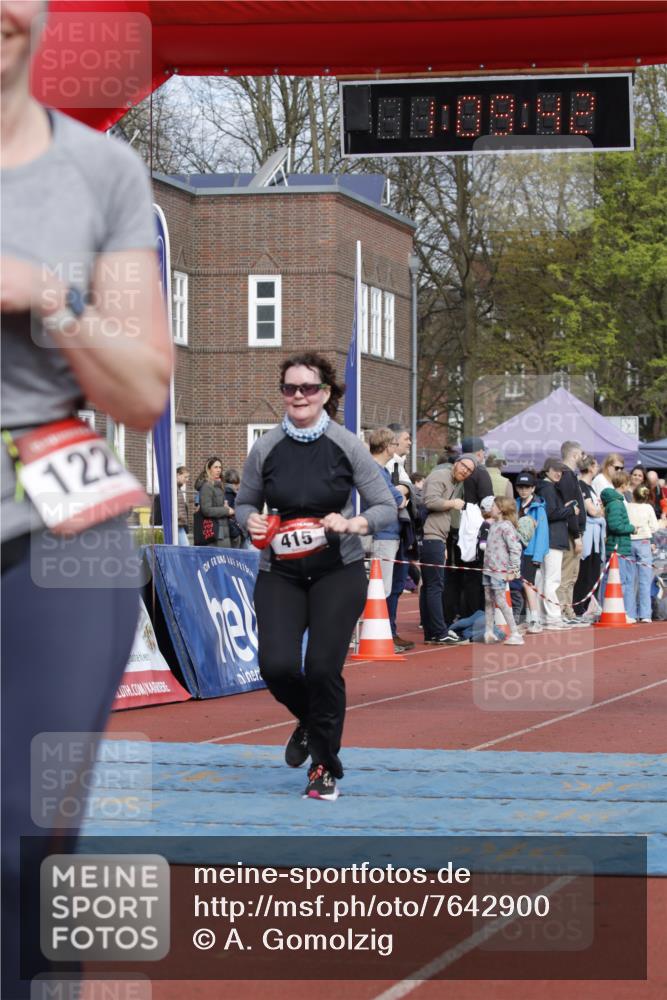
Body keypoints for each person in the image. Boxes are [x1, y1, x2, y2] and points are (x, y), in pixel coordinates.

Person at [0, 3, 172, 994]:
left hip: (55, 534)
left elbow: (143, 390)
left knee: (27, 830)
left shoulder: (101, 173)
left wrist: (51, 299)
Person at [235, 352, 395, 801]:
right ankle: (309, 720)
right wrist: (251, 521)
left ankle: (324, 765)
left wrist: (353, 524)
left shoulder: (347, 445)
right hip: (280, 572)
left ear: (325, 394)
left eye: (308, 388)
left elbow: (385, 505)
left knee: (323, 668)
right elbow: (246, 503)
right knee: (277, 666)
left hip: (337, 570)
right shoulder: (265, 447)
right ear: (283, 394)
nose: (299, 395)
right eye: (290, 388)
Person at [420, 455, 475, 643]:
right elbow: (430, 501)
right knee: (435, 587)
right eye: (464, 466)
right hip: (431, 536)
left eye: (469, 471)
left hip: (436, 538)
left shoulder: (452, 482)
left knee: (430, 587)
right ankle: (440, 632)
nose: (465, 471)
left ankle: (431, 632)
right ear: (456, 463)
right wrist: (453, 503)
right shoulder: (440, 476)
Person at [366, 428, 405, 635]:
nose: (396, 448)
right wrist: (401, 495)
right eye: (394, 444)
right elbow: (395, 500)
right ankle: (372, 635)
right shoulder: (375, 471)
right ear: (387, 446)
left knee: (379, 587)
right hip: (382, 535)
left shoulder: (381, 470)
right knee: (380, 588)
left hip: (384, 534)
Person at [385, 423, 416, 650]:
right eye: (407, 438)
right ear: (394, 441)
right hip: (388, 532)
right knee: (387, 585)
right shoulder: (387, 465)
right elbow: (392, 493)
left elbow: (406, 490)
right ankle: (386, 632)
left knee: (396, 584)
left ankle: (391, 630)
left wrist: (406, 488)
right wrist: (404, 490)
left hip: (401, 532)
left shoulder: (401, 465)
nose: (410, 442)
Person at [534, 459, 573, 629]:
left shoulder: (544, 487)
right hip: (553, 538)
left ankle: (545, 616)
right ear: (547, 470)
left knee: (545, 578)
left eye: (561, 471)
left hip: (547, 538)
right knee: (552, 579)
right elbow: (550, 513)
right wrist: (570, 510)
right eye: (556, 470)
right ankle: (553, 617)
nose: (559, 473)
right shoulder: (548, 488)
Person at [482, 497, 524, 645]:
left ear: (500, 508)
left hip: (499, 570)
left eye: (493, 505)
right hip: (488, 569)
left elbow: (515, 548)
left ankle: (515, 633)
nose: (490, 507)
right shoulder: (493, 525)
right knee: (488, 600)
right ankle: (489, 632)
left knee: (500, 600)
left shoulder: (506, 526)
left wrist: (513, 569)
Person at [555, 441, 588, 625]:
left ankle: (568, 609)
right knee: (566, 574)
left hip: (575, 532)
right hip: (570, 533)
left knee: (572, 574)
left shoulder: (569, 476)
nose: (584, 458)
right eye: (581, 454)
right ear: (575, 455)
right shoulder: (567, 476)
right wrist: (576, 536)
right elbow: (571, 507)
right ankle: (562, 610)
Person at [514, 471, 550, 634]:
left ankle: (535, 619)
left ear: (533, 488)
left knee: (527, 584)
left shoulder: (539, 508)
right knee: (520, 586)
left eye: (527, 487)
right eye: (520, 487)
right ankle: (526, 619)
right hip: (515, 551)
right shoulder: (514, 505)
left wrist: (538, 556)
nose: (523, 490)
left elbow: (543, 534)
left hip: (530, 553)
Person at [600, 471, 636, 619]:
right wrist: (632, 528)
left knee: (613, 580)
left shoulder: (614, 502)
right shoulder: (616, 503)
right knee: (622, 580)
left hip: (617, 546)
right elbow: (616, 526)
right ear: (624, 484)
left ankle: (611, 610)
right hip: (619, 547)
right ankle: (622, 612)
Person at [574, 454, 606, 620]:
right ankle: (580, 607)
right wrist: (602, 512)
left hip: (596, 537)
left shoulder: (591, 486)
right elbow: (593, 510)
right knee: (584, 572)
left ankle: (589, 606)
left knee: (593, 572)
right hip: (588, 535)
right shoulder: (581, 486)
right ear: (591, 467)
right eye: (596, 465)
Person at [627, 485, 659, 623]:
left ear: (633, 495)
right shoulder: (648, 508)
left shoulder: (627, 506)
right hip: (644, 542)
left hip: (629, 541)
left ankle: (630, 613)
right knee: (645, 580)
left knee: (629, 580)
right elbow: (655, 527)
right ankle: (645, 614)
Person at [197, 456, 233, 547]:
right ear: (209, 469)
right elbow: (206, 510)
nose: (218, 470)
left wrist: (226, 507)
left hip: (222, 528)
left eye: (220, 467)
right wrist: (226, 511)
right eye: (215, 467)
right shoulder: (207, 486)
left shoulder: (219, 485)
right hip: (214, 531)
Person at [223, 468, 245, 549]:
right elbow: (229, 511)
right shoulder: (229, 493)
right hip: (234, 530)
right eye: (238, 483)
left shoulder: (227, 492)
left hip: (235, 530)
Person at [177, 465, 190, 544]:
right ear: (178, 475)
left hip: (179, 524)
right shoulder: (174, 488)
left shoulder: (178, 488)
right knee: (185, 547)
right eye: (185, 477)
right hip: (177, 524)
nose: (187, 480)